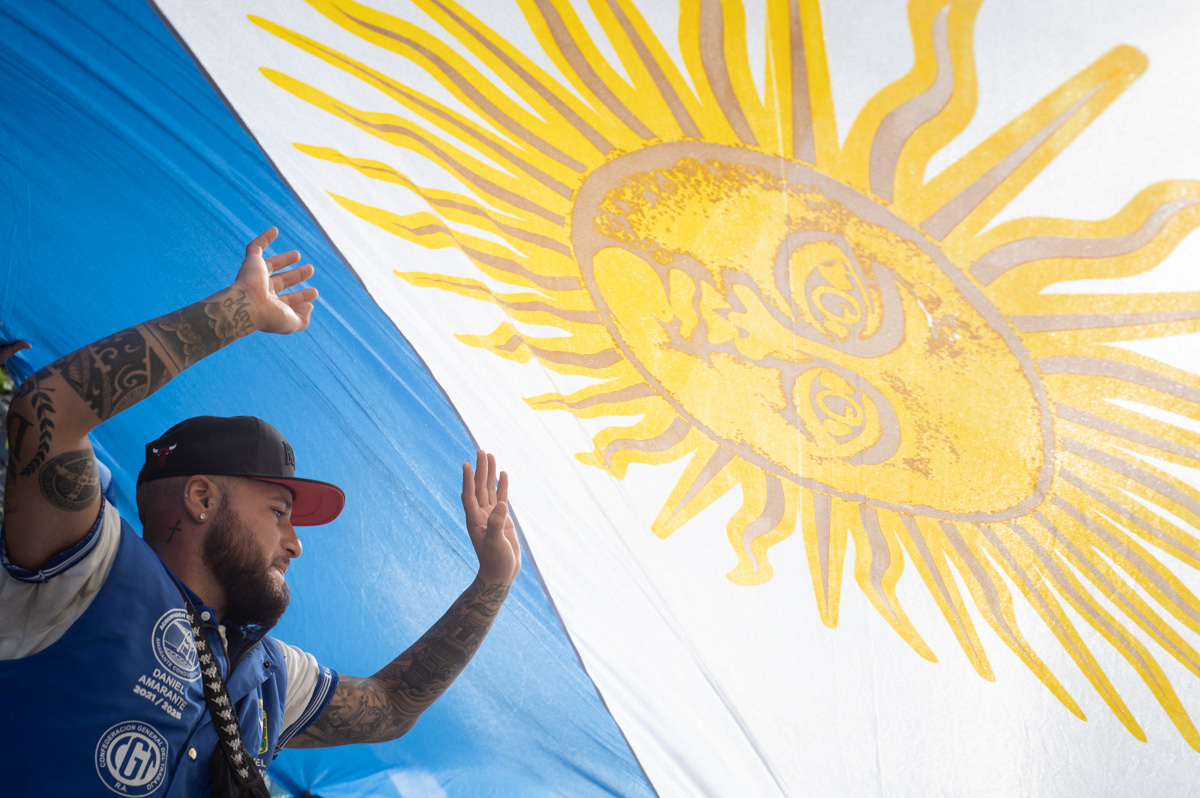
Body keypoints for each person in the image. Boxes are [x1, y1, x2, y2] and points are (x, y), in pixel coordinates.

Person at [0, 229, 521, 796]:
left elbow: (394, 704)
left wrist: (493, 583)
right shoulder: (84, 568)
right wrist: (239, 311)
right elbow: (47, 408)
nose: (296, 544)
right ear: (201, 499)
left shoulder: (274, 677)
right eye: (279, 511)